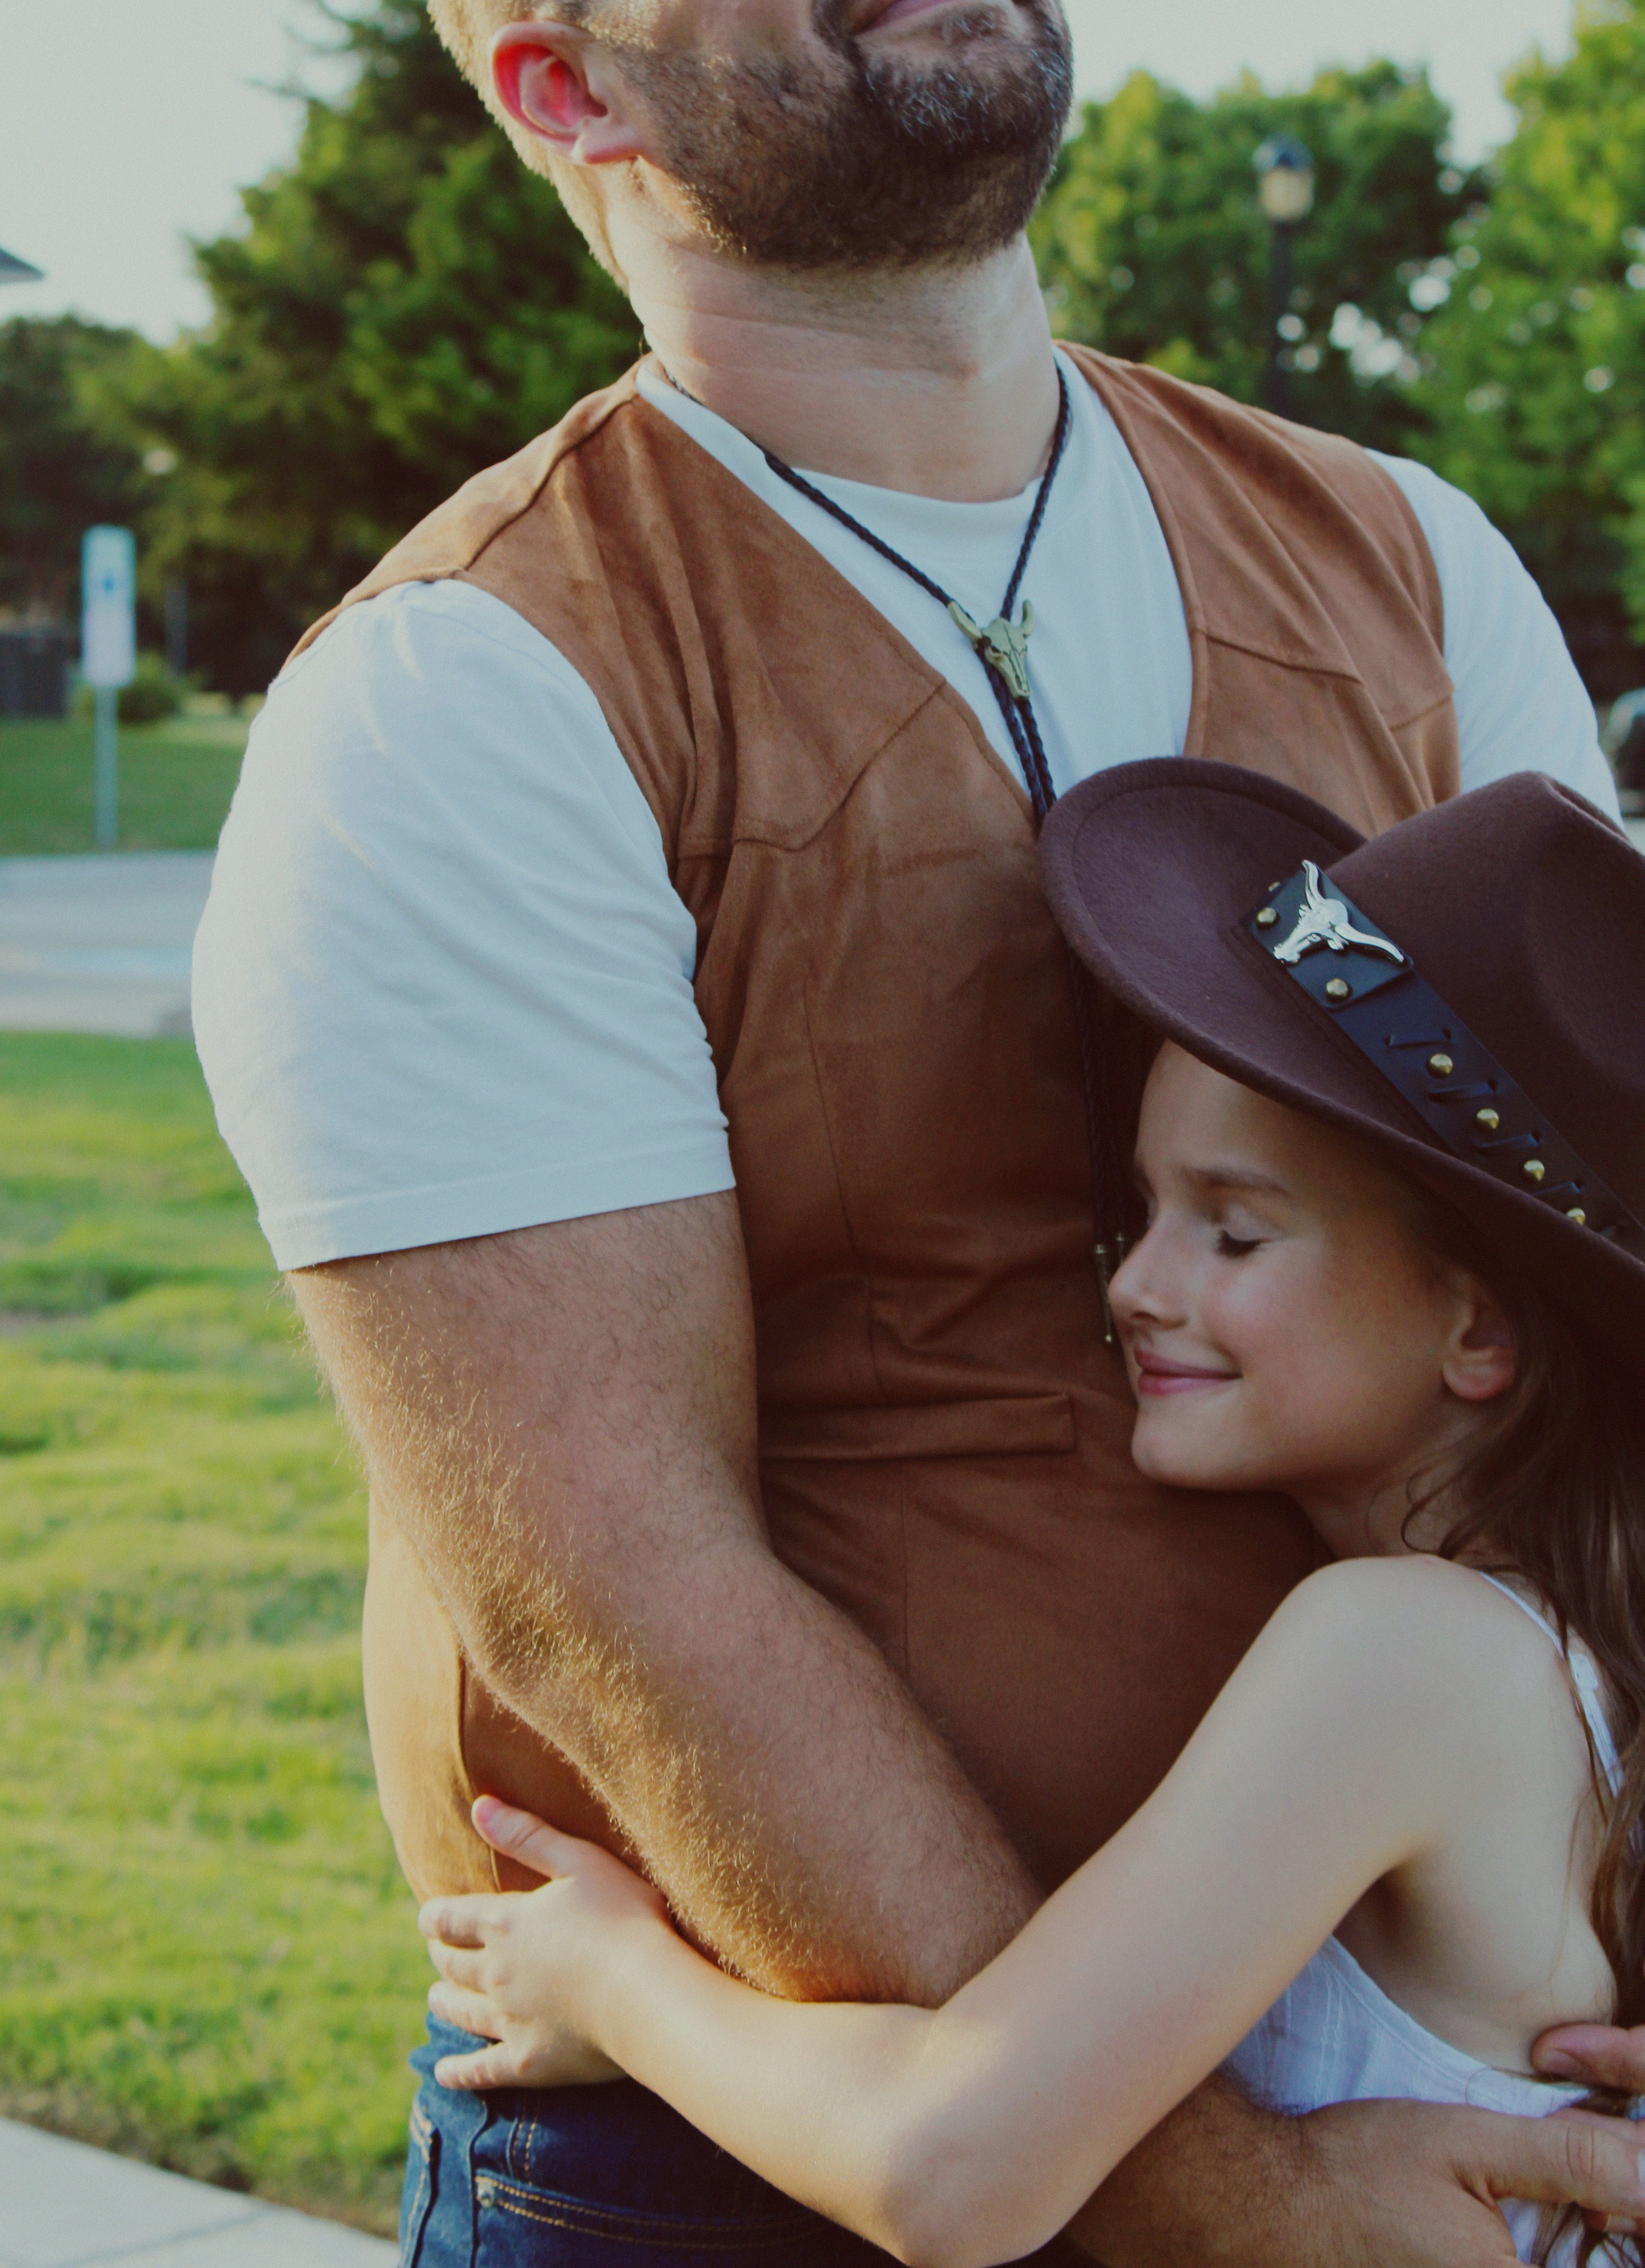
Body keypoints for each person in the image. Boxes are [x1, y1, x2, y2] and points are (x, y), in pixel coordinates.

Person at [190, 0, 1645, 2259]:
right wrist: (1226, 2196)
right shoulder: (470, 691)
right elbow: (614, 1588)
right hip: (766, 2146)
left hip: (1427, 2057)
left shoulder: (1404, 560)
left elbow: (1622, 1286)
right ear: (570, 81)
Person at [412, 764, 1645, 2268]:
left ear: (1477, 1330)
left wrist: (615, 1986)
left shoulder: (1403, 1649)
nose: (1133, 1285)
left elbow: (951, 2168)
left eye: (1234, 1230)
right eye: (1139, 1212)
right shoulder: (1571, 1651)